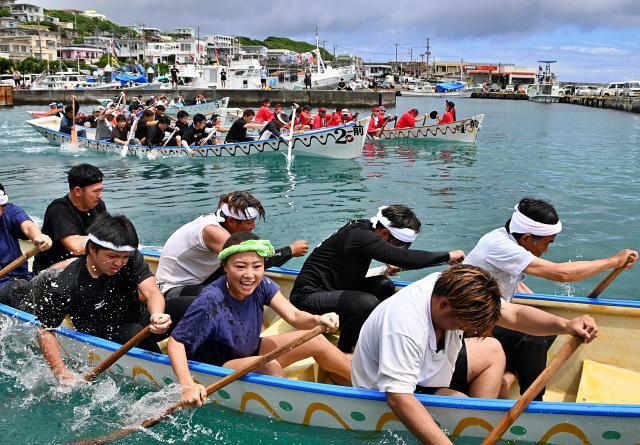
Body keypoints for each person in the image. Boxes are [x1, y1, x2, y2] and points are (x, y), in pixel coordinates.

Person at [352, 264, 599, 445]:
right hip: (385, 390)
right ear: (444, 305)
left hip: (429, 366)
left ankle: (479, 427)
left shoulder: (451, 286)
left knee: (492, 349)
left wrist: (566, 325)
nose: (465, 329)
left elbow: (512, 314)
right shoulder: (404, 326)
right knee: (458, 401)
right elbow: (398, 398)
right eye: (462, 323)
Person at [464, 197, 637, 399]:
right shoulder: (500, 246)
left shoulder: (507, 237)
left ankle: (508, 376)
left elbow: (499, 274)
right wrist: (612, 261)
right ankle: (534, 403)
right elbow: (562, 274)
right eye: (547, 244)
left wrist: (518, 287)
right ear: (527, 238)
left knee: (549, 325)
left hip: (489, 312)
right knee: (534, 335)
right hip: (466, 323)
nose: (546, 250)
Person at [167, 232, 352, 407]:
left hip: (251, 346)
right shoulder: (210, 300)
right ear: (225, 267)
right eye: (240, 266)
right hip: (222, 363)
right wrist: (188, 385)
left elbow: (294, 316)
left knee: (316, 340)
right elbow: (176, 342)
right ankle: (291, 409)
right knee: (269, 366)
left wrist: (319, 319)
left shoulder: (261, 284)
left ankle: (363, 388)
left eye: (257, 266)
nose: (249, 275)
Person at [290, 205, 466, 353]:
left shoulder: (365, 228)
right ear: (383, 233)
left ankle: (365, 332)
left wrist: (392, 259)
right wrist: (447, 256)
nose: (402, 249)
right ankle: (345, 352)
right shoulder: (360, 235)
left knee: (384, 285)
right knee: (365, 303)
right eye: (400, 245)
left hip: (334, 291)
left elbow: (389, 254)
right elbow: (405, 258)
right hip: (307, 299)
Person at [35, 214, 172, 385]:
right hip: (104, 332)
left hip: (139, 316)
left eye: (125, 257)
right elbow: (46, 330)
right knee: (135, 332)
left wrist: (158, 315)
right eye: (112, 256)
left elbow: (151, 291)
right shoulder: (67, 285)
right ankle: (167, 374)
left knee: (187, 306)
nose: (120, 263)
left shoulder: (131, 256)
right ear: (92, 249)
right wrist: (61, 372)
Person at [156, 191, 307, 305]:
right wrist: (290, 250)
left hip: (201, 279)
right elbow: (259, 260)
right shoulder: (213, 231)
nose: (253, 226)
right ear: (231, 221)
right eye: (249, 222)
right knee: (227, 290)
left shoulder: (221, 220)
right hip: (172, 290)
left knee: (247, 278)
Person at [33, 164, 107, 274]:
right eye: (96, 191)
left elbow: (108, 232)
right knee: (81, 262)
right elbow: (75, 247)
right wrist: (111, 239)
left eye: (101, 190)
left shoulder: (98, 205)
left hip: (82, 262)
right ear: (78, 191)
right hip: (49, 270)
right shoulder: (59, 209)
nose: (100, 195)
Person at [0, 184, 52, 306]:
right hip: (6, 285)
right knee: (20, 288)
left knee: (52, 277)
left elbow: (28, 226)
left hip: (22, 276)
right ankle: (34, 324)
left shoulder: (10, 211)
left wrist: (39, 238)